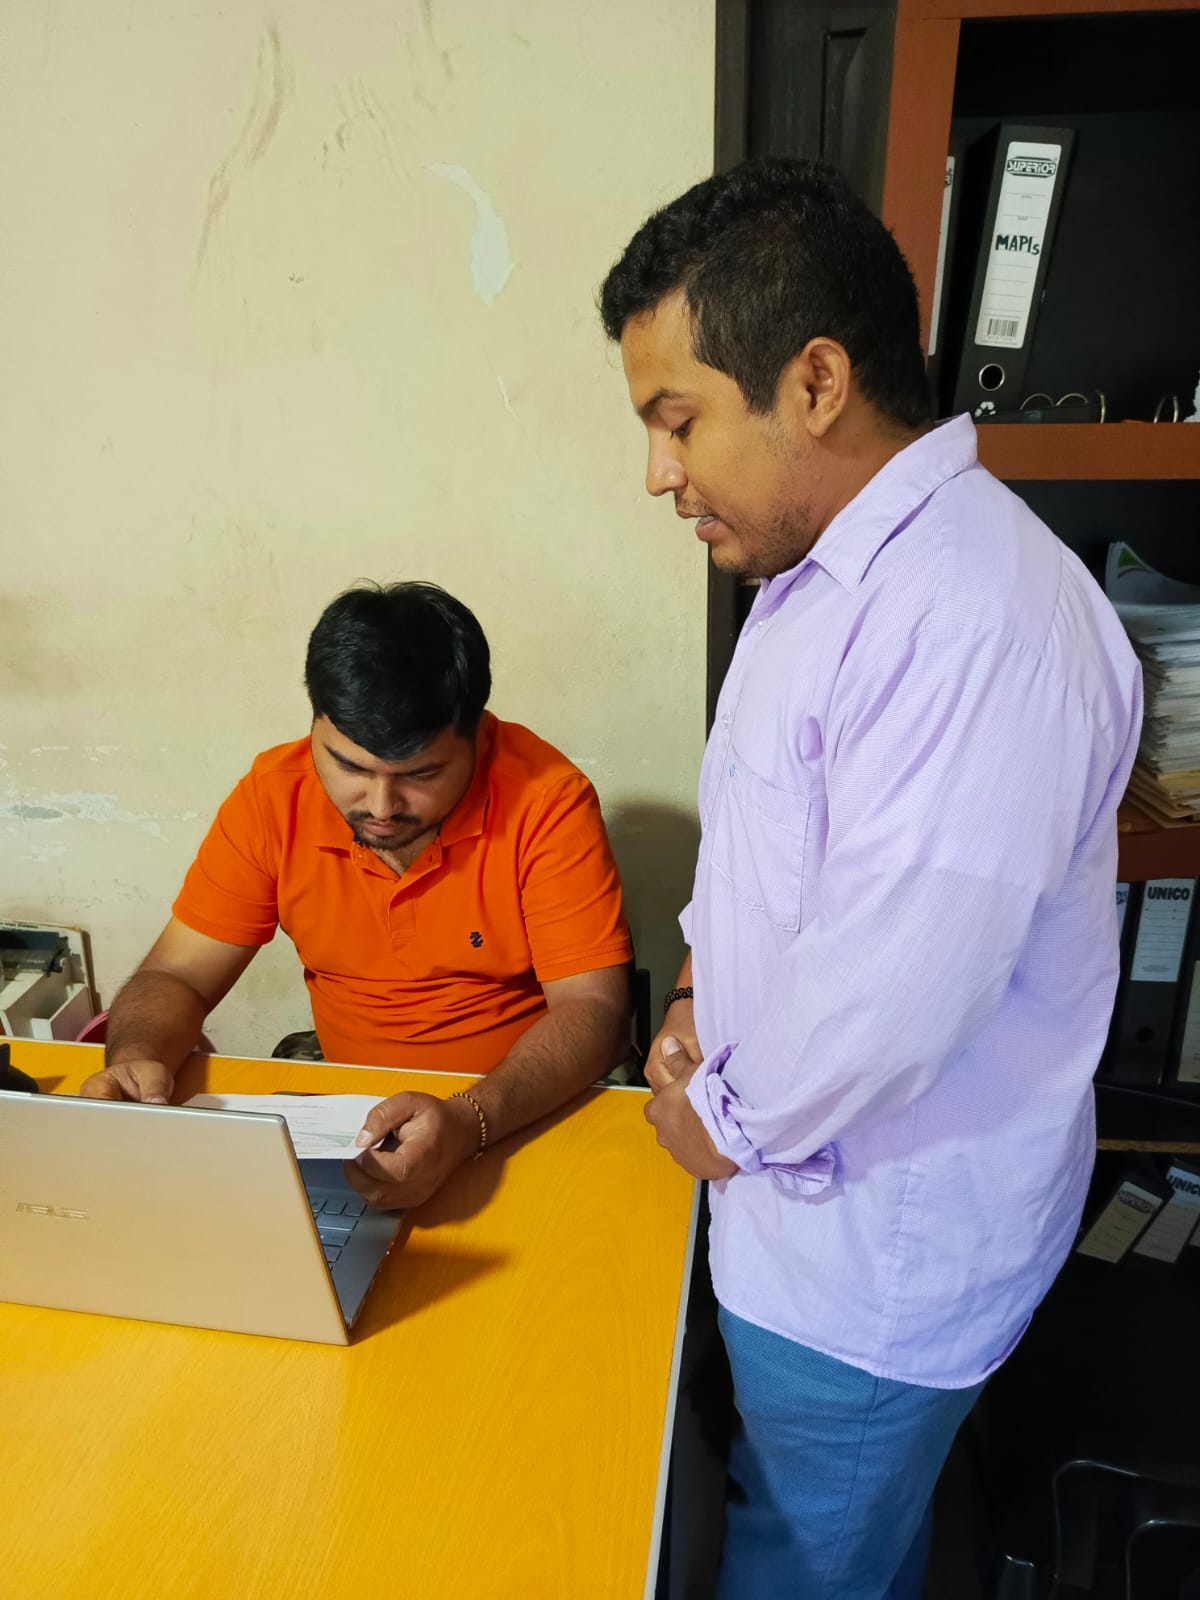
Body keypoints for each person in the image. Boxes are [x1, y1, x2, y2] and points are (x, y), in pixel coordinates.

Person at [599, 158, 1142, 1598]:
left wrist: (718, 1117)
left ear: (817, 382)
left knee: (805, 1562)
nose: (659, 472)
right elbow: (764, 855)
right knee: (830, 1535)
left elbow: (896, 988)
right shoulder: (819, 576)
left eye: (678, 421)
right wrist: (698, 993)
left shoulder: (974, 618)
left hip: (868, 1273)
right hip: (795, 1215)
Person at [82, 582, 633, 1210]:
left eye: (421, 775)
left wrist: (468, 1121)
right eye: (349, 767)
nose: (381, 806)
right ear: (315, 724)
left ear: (479, 736)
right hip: (351, 1118)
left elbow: (593, 1009)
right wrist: (136, 1060)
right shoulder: (273, 796)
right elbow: (176, 975)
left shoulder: (546, 800)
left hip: (515, 1111)